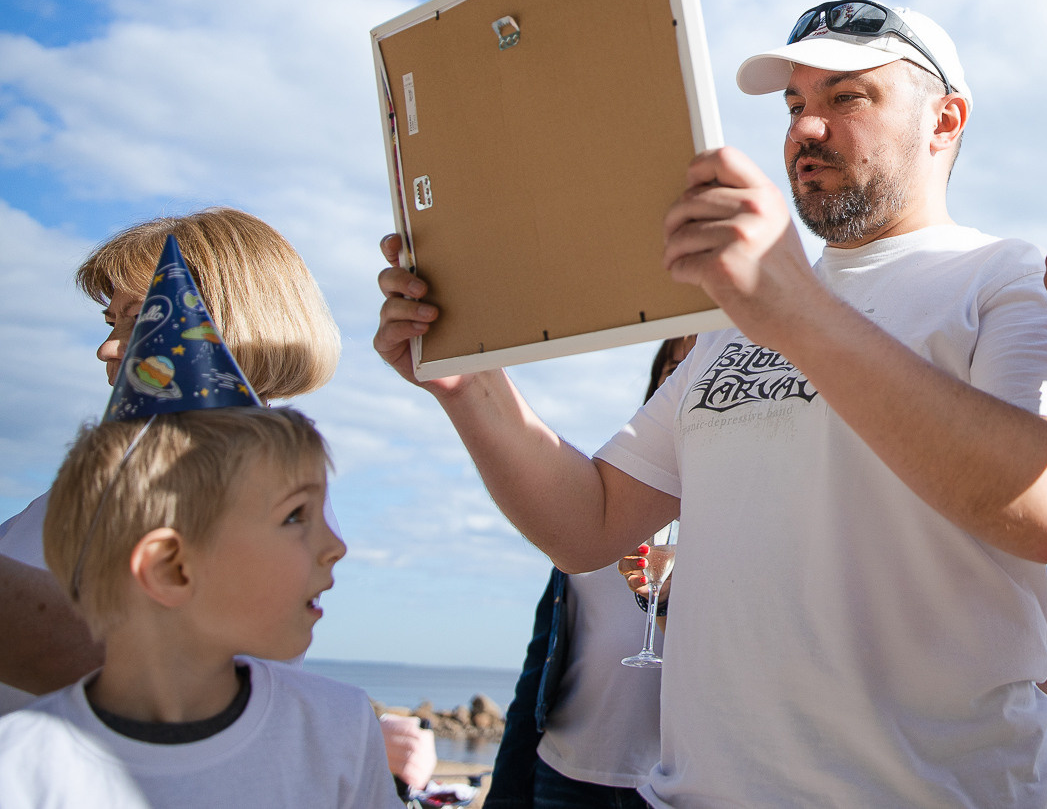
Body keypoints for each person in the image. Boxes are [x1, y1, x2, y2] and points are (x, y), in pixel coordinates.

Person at [374, 1, 1047, 807]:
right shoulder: (733, 322)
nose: (806, 128)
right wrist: (471, 384)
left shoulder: (1004, 279)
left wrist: (796, 311)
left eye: (846, 97)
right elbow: (587, 523)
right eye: (794, 105)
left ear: (945, 119)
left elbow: (1046, 506)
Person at [0, 209, 343, 715]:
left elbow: (202, 672)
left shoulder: (249, 477)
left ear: (225, 323)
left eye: (137, 317)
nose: (106, 348)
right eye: (111, 320)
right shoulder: (127, 467)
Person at [0, 406, 399, 807]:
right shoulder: (20, 765)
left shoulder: (338, 727)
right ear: (172, 569)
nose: (337, 547)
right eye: (295, 515)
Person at [486, 336, 694, 809]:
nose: (685, 378)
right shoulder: (598, 511)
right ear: (654, 389)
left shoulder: (735, 510)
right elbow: (542, 660)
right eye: (675, 366)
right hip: (564, 767)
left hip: (669, 784)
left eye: (700, 364)